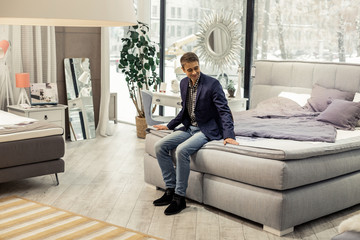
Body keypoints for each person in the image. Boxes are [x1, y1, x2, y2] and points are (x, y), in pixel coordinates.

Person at [152, 52, 239, 215]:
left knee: (182, 150)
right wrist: (170, 125)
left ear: (199, 65)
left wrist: (229, 135)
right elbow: (185, 110)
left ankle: (179, 197)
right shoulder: (184, 83)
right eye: (189, 70)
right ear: (183, 70)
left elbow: (224, 111)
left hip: (207, 129)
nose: (194, 72)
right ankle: (170, 190)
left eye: (196, 68)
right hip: (189, 128)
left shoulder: (212, 84)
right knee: (159, 146)